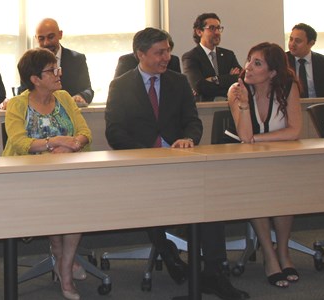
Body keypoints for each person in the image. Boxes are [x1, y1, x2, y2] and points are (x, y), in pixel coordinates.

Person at [106, 27, 249, 300]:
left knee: (210, 202)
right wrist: (147, 152)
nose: (166, 57)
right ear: (140, 54)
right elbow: (114, 132)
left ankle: (215, 273)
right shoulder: (120, 86)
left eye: (168, 51)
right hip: (142, 167)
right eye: (159, 52)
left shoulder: (178, 82)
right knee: (152, 197)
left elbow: (193, 121)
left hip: (180, 164)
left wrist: (187, 138)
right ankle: (168, 252)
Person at [3, 48, 91, 300]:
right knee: (58, 198)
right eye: (52, 70)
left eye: (57, 68)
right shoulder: (17, 104)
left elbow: (85, 132)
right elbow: (19, 141)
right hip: (28, 178)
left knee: (74, 202)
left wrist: (74, 143)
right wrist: (54, 142)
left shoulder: (64, 97)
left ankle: (64, 263)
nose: (58, 74)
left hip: (69, 175)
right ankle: (59, 253)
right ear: (35, 79)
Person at [227, 42, 302, 288]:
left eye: (257, 63)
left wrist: (258, 139)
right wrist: (245, 103)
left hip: (280, 161)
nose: (248, 66)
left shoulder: (288, 87)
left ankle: (283, 251)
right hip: (246, 165)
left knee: (284, 187)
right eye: (249, 59)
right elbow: (245, 134)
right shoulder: (236, 90)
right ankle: (270, 255)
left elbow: (294, 130)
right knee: (256, 188)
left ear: (272, 72)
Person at [182, 13, 242, 102]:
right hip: (205, 109)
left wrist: (214, 79)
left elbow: (240, 79)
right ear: (199, 32)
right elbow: (200, 86)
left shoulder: (228, 55)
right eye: (212, 28)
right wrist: (228, 79)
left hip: (230, 106)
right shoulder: (190, 57)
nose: (217, 32)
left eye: (218, 28)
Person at [287, 23, 324, 98]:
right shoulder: (282, 61)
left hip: (319, 107)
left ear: (311, 43)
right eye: (291, 39)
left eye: (298, 41)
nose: (292, 44)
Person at [114, 35, 180, 77]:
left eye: (168, 51)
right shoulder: (121, 85)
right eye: (160, 52)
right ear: (141, 55)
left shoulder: (180, 81)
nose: (167, 58)